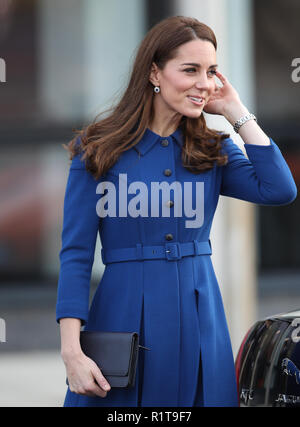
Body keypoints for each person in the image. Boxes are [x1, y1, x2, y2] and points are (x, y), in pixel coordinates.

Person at [56, 16, 297, 407]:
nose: (204, 82)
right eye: (190, 70)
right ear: (154, 71)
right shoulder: (99, 149)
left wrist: (235, 110)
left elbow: (280, 189)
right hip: (122, 319)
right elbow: (76, 256)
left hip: (200, 318)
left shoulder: (213, 148)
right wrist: (72, 351)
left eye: (211, 71)